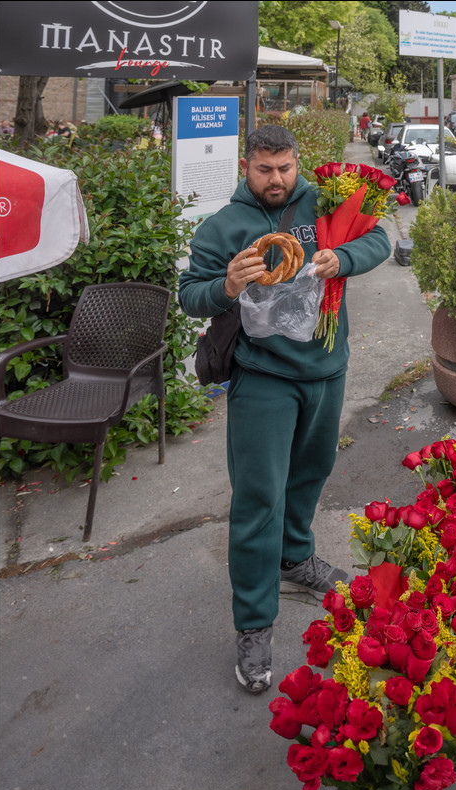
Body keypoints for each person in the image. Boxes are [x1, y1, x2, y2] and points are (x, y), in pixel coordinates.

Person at [178, 125, 390, 694]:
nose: (276, 179)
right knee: (257, 499)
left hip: (327, 368)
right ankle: (253, 623)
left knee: (312, 473)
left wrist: (340, 258)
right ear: (247, 167)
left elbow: (380, 240)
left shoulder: (322, 201)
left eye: (285, 168)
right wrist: (224, 285)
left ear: (298, 164)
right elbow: (188, 293)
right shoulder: (223, 228)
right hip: (263, 378)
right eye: (265, 169)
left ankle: (296, 557)